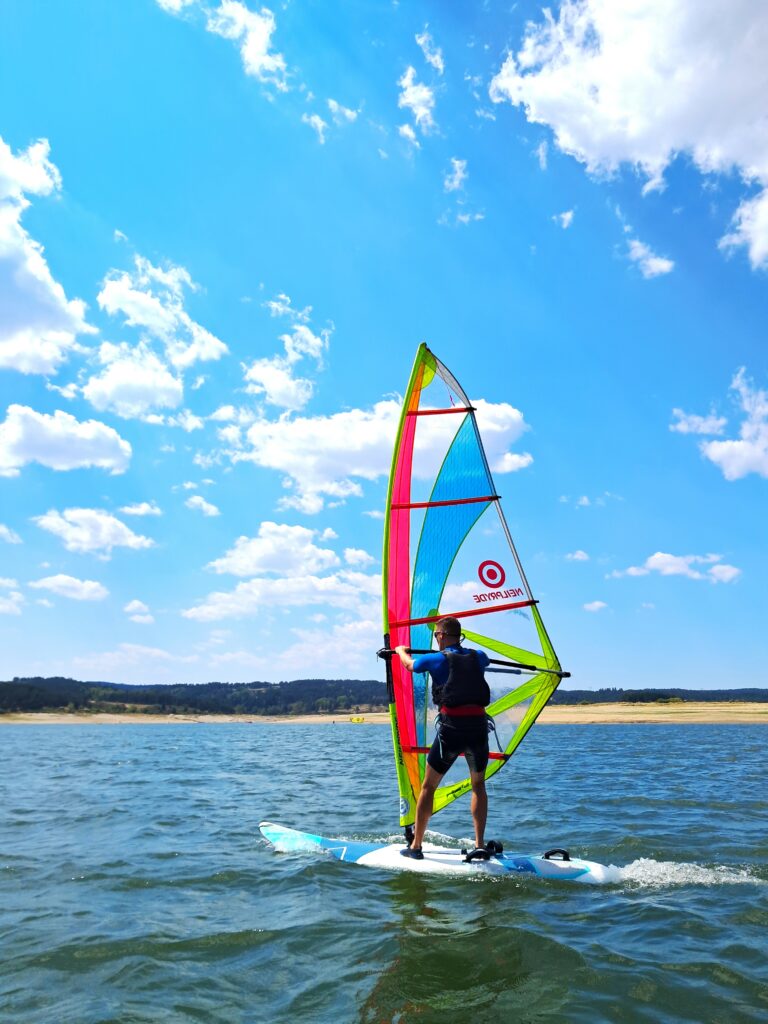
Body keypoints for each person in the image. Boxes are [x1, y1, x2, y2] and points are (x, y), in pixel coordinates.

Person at [395, 617, 491, 861]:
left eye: (436, 634)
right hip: (479, 730)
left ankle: (416, 846)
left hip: (452, 730)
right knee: (478, 785)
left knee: (428, 787)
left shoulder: (435, 659)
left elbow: (410, 665)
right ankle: (479, 844)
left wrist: (400, 651)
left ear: (441, 635)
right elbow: (486, 661)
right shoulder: (478, 656)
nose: (436, 638)